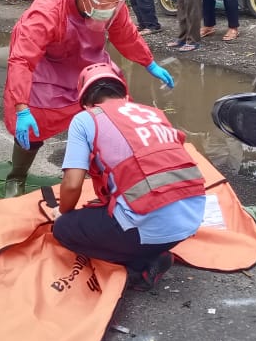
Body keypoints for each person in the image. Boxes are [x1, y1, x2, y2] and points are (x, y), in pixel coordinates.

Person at [3, 0, 175, 196]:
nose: (109, 10)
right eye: (104, 5)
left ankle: (113, 174)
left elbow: (125, 34)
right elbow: (22, 59)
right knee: (35, 118)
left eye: (114, 4)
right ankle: (16, 177)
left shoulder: (112, 6)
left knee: (115, 111)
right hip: (48, 66)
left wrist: (148, 62)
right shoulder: (48, 8)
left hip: (89, 63)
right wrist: (22, 108)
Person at [51, 63, 205, 289]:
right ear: (124, 93)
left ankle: (141, 265)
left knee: (64, 229)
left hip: (148, 228)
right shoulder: (154, 113)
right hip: (191, 220)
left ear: (85, 102)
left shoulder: (85, 119)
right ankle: (151, 250)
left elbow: (72, 184)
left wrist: (63, 212)